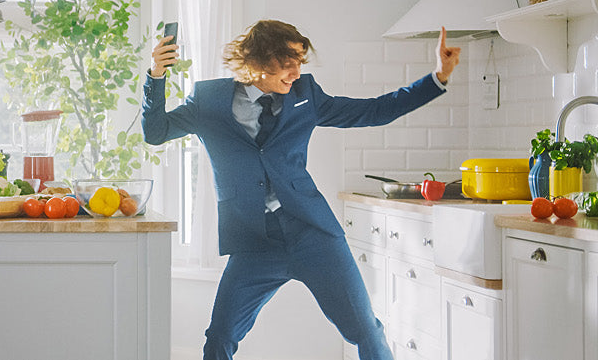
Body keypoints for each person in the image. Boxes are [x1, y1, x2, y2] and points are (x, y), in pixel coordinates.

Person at [140, 19, 460, 360]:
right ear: (258, 62)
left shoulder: (305, 96)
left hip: (314, 235)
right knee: (220, 336)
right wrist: (156, 77)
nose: (295, 71)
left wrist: (437, 78)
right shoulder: (209, 101)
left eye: (299, 62)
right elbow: (156, 131)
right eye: (287, 62)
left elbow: (374, 110)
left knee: (365, 330)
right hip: (254, 243)